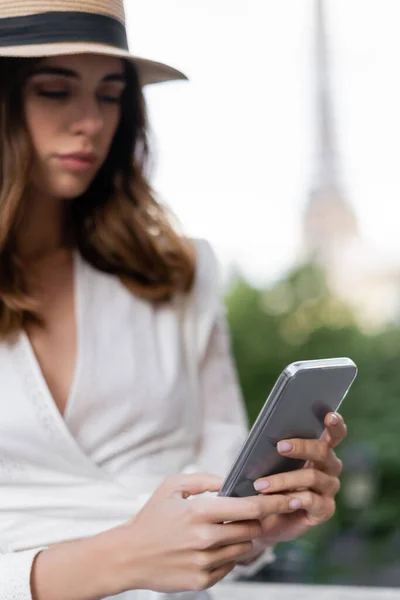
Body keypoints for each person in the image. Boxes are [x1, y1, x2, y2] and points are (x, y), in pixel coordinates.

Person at [0, 2, 347, 599]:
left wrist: (261, 522)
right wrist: (121, 557)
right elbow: (141, 553)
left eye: (110, 95)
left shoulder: (180, 275)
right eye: (54, 91)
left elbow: (212, 493)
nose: (90, 120)